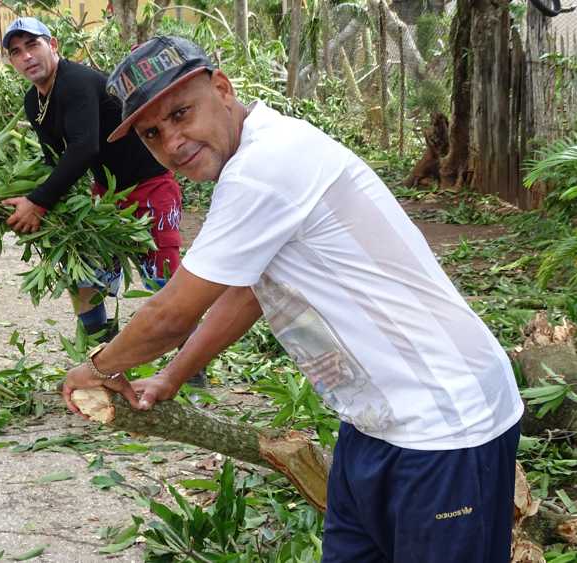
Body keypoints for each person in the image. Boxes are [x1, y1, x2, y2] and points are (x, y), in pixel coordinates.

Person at [61, 36, 524, 563]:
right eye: (152, 133)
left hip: (446, 424)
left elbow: (170, 315)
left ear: (222, 88)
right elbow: (248, 293)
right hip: (373, 422)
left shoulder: (267, 165)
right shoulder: (258, 158)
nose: (172, 141)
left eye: (181, 113)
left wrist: (96, 367)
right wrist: (172, 376)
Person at [1, 19, 199, 362]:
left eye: (33, 45)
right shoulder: (34, 103)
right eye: (16, 52)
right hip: (106, 194)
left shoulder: (75, 82)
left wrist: (39, 202)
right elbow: (56, 160)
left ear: (54, 45)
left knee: (162, 280)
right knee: (83, 270)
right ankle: (99, 350)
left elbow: (84, 148)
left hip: (150, 187)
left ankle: (192, 363)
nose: (26, 57)